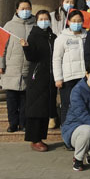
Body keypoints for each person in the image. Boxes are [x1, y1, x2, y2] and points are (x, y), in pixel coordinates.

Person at [0, 0, 36, 133]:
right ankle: (12, 123)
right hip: (11, 67)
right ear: (17, 10)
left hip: (28, 68)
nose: (25, 11)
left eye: (28, 8)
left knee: (25, 98)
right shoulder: (8, 25)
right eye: (22, 8)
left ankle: (23, 123)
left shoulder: (35, 25)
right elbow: (0, 47)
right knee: (11, 99)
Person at [21, 9, 56, 151]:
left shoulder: (52, 36)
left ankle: (41, 137)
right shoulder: (33, 35)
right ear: (36, 21)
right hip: (37, 76)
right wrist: (26, 48)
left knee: (44, 109)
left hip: (49, 77)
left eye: (46, 19)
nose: (44, 21)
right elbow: (31, 57)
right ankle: (34, 139)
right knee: (35, 108)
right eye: (41, 19)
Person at [53, 9, 87, 127]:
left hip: (84, 77)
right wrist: (58, 78)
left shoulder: (87, 36)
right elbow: (57, 59)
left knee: (83, 104)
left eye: (79, 21)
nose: (76, 23)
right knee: (67, 105)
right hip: (68, 78)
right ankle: (66, 129)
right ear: (68, 22)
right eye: (74, 21)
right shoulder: (62, 38)